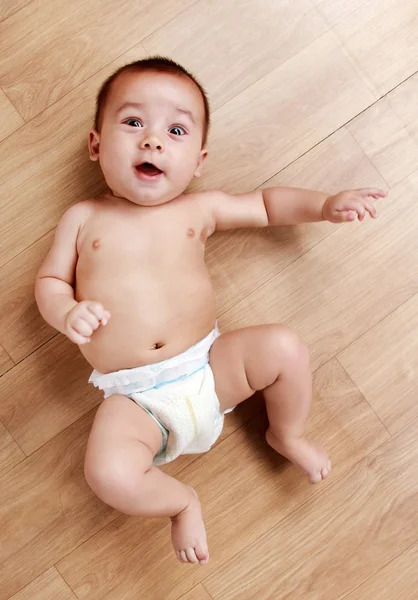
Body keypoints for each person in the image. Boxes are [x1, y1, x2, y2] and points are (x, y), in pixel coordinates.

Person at [35, 56, 387, 566]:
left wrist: (325, 204)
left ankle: (286, 433)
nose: (152, 140)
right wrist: (66, 312)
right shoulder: (84, 217)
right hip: (136, 402)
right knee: (106, 473)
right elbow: (48, 281)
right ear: (96, 144)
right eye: (133, 122)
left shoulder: (197, 210)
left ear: (198, 161)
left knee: (284, 346)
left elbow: (266, 206)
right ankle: (180, 502)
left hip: (211, 369)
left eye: (175, 129)